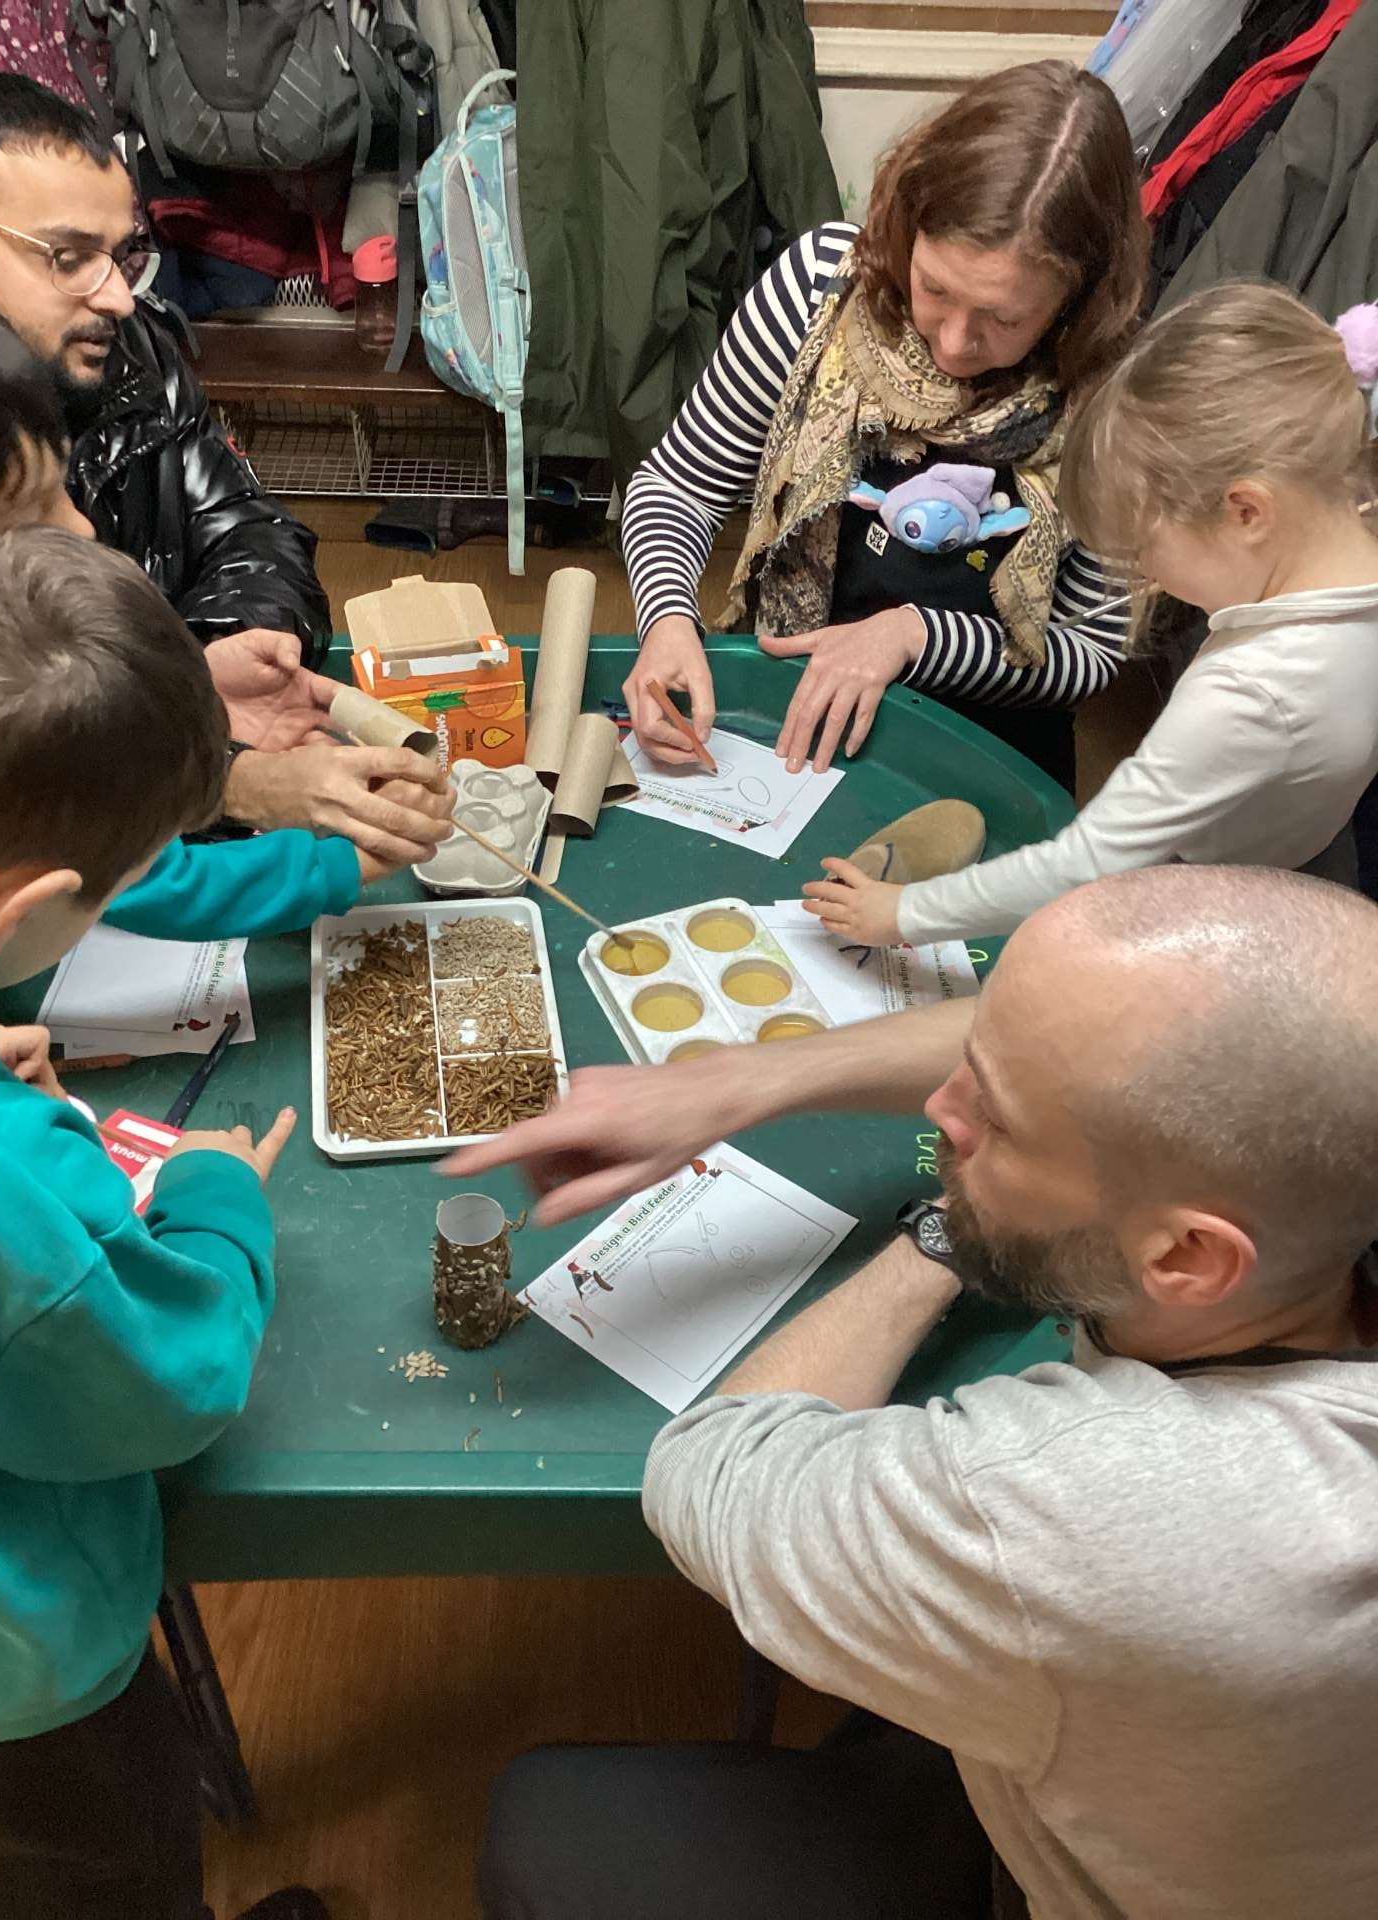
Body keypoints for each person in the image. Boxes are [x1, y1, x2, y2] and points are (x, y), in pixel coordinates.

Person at [474, 863, 1378, 1919]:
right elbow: (1066, 1048)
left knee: (552, 1823)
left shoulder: (1098, 1514)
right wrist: (733, 1081)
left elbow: (718, 1470)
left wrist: (948, 1233)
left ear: (1185, 1257)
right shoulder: (1323, 1173)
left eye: (996, 1123)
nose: (943, 1109)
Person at [0, 530, 373, 1918]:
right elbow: (166, 1380)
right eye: (119, 890)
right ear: (27, 910)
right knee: (96, 1881)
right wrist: (215, 1195)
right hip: (6, 1685)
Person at [0, 72, 437, 866]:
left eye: (121, 256)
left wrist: (206, 668)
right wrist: (218, 771)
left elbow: (253, 531)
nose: (118, 297)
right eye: (70, 257)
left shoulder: (132, 355)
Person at [621, 60, 1147, 791]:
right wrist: (668, 621)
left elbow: (1090, 650)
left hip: (987, 755)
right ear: (908, 226)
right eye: (934, 288)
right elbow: (676, 487)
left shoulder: (1113, 389)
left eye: (1002, 320)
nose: (954, 343)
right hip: (788, 722)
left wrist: (915, 636)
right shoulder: (819, 289)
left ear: (1076, 300)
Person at [805, 283, 1378, 949]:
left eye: (1141, 547)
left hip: (1217, 910)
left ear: (1247, 512)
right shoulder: (1353, 528)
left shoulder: (1248, 694)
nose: (1141, 575)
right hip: (1312, 850)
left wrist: (902, 913)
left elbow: (1085, 863)